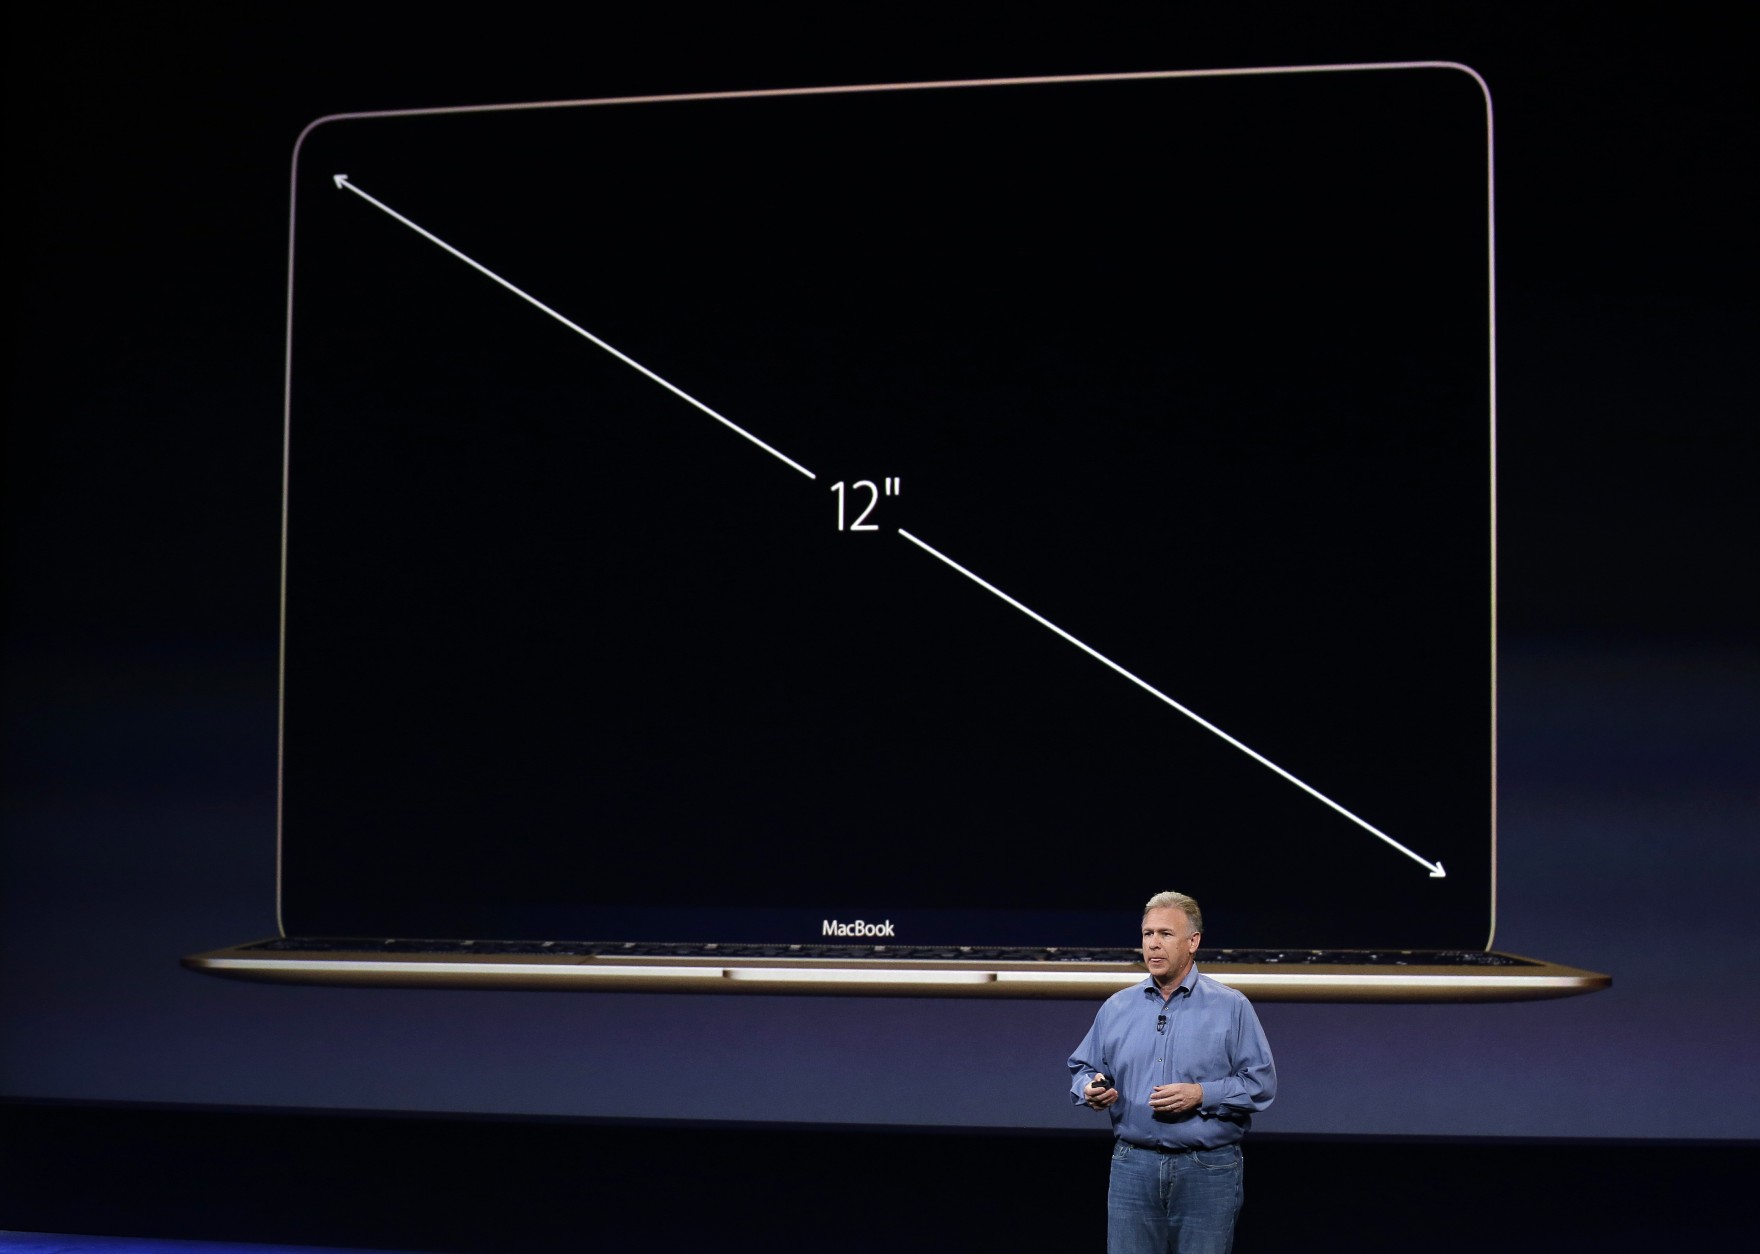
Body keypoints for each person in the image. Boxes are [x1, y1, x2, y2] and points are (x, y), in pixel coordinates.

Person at [1068, 891, 1276, 1254]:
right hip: (1133, 1165)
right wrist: (1091, 1088)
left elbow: (1260, 1084)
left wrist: (1200, 1094)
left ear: (1193, 942)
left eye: (1165, 934)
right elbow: (1084, 1068)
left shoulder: (1231, 1006)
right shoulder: (1117, 1007)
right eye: (1147, 934)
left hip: (1206, 1169)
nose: (1153, 945)